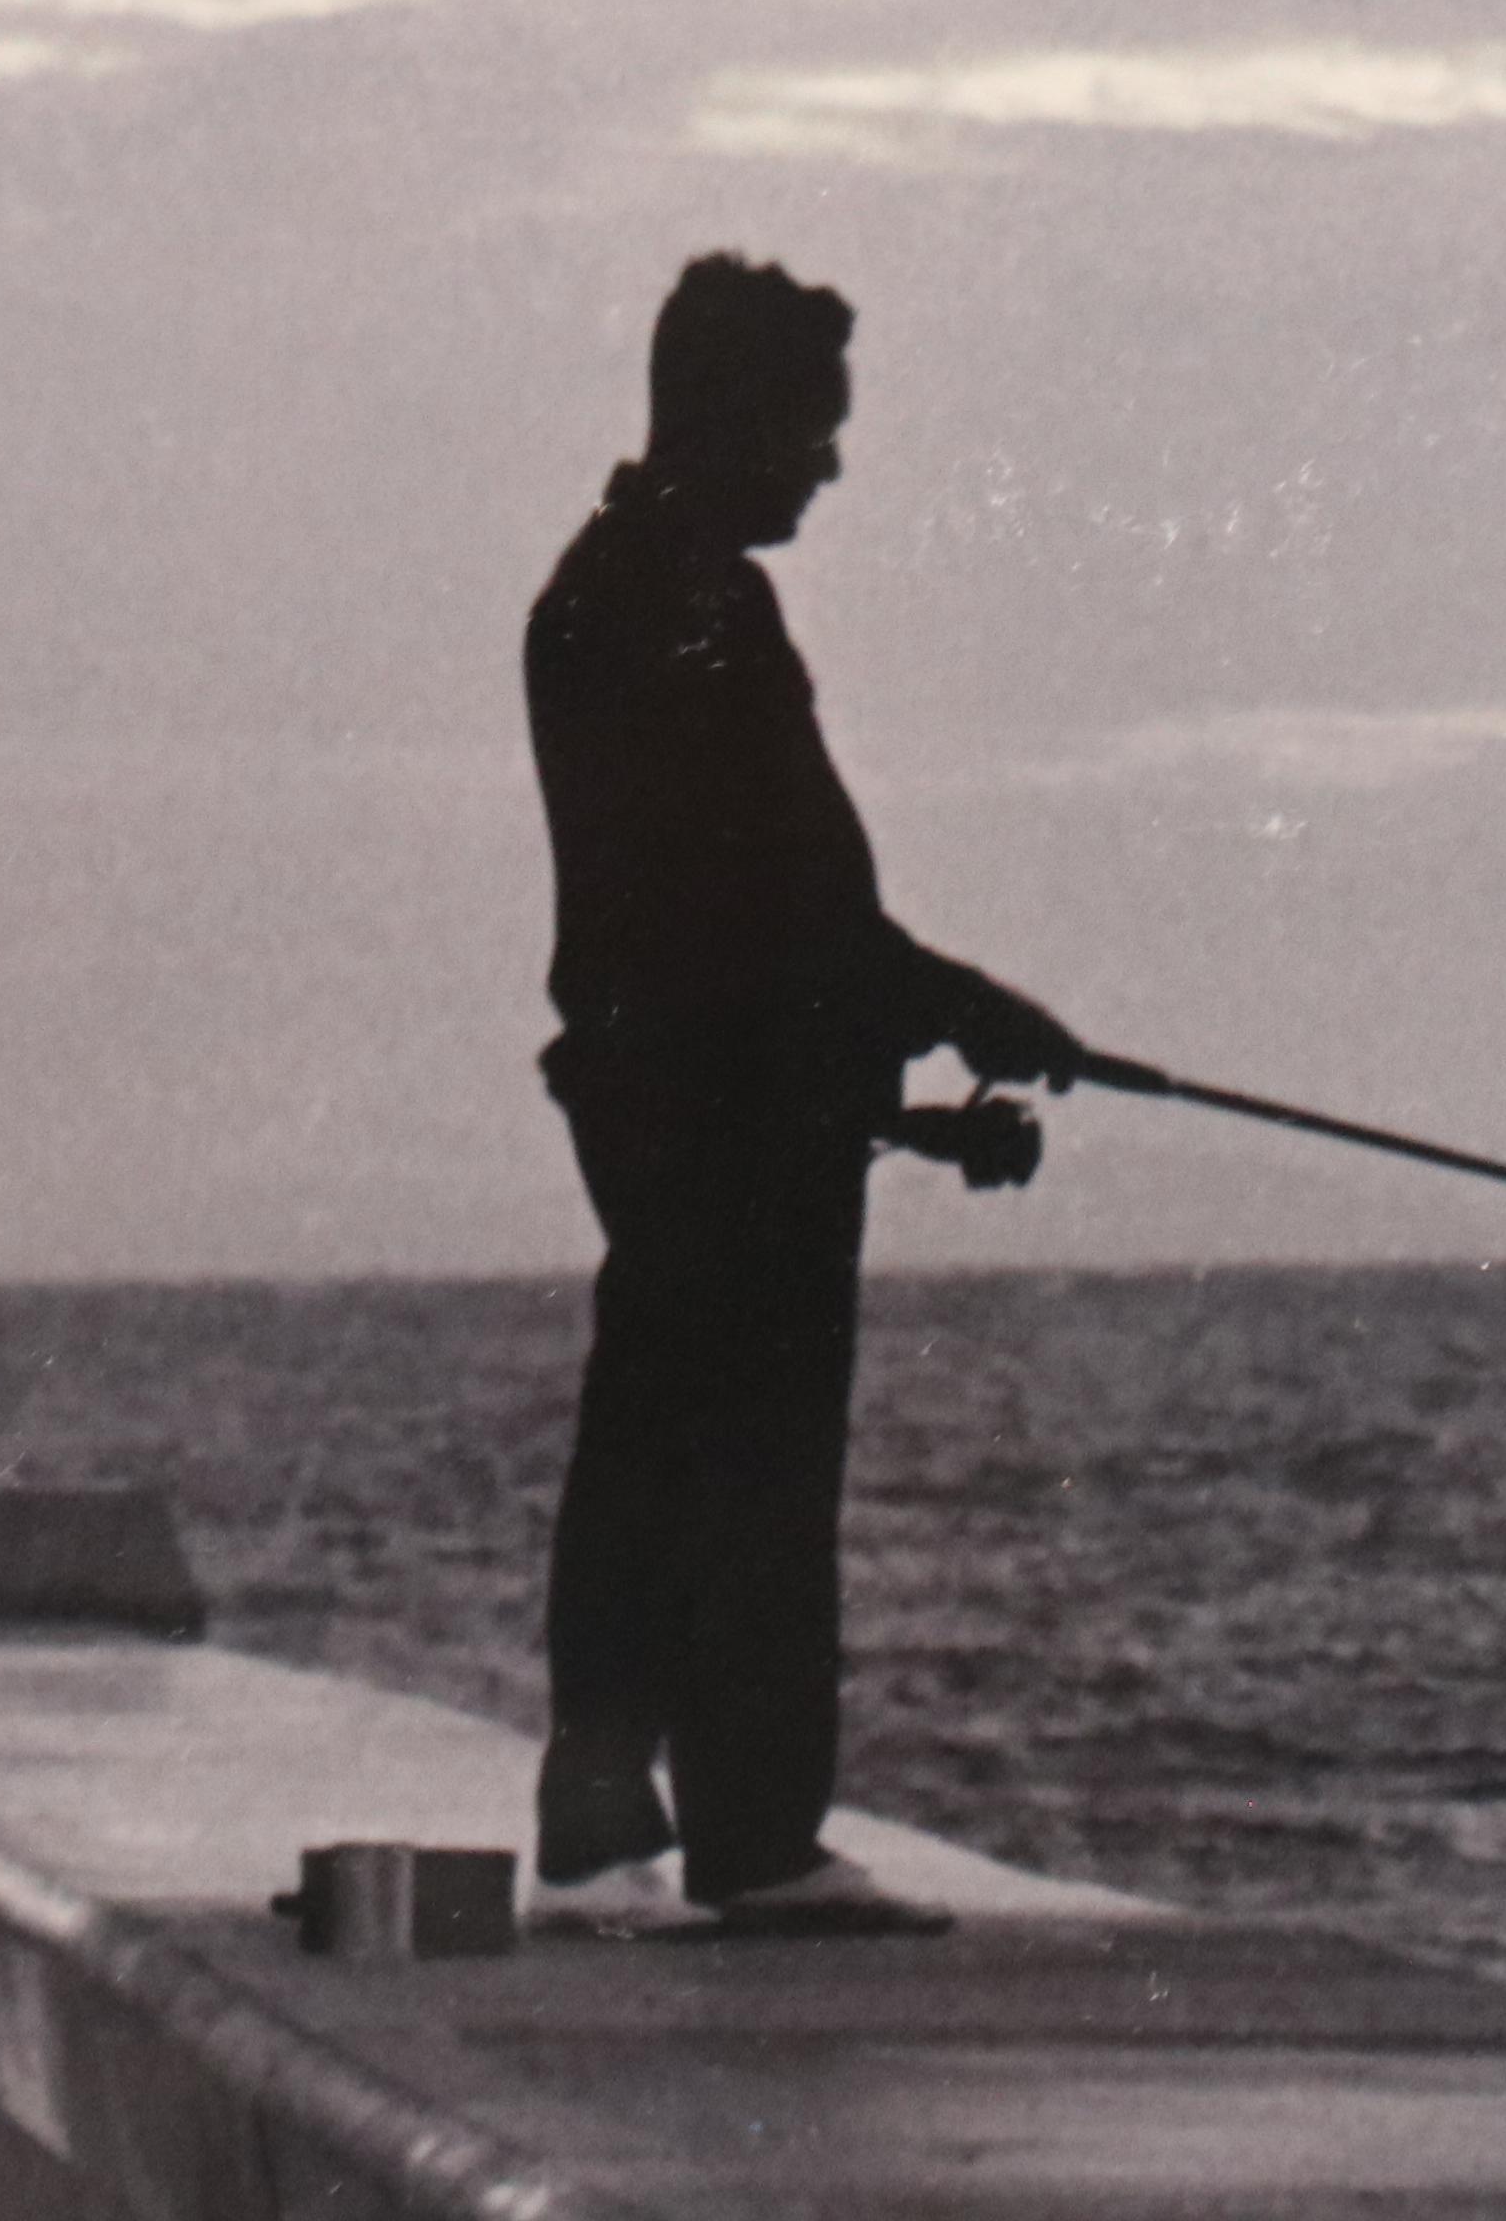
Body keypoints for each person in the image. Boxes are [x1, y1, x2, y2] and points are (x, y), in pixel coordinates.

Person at [525, 254, 1082, 1934]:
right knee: (755, 1470)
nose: (829, 466)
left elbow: (729, 933)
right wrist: (952, 1009)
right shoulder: (692, 606)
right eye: (813, 428)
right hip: (729, 1118)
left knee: (655, 1442)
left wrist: (908, 1087)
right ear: (735, 413)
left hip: (680, 1103)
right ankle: (757, 1842)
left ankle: (606, 1787)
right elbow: (777, 915)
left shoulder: (603, 592)